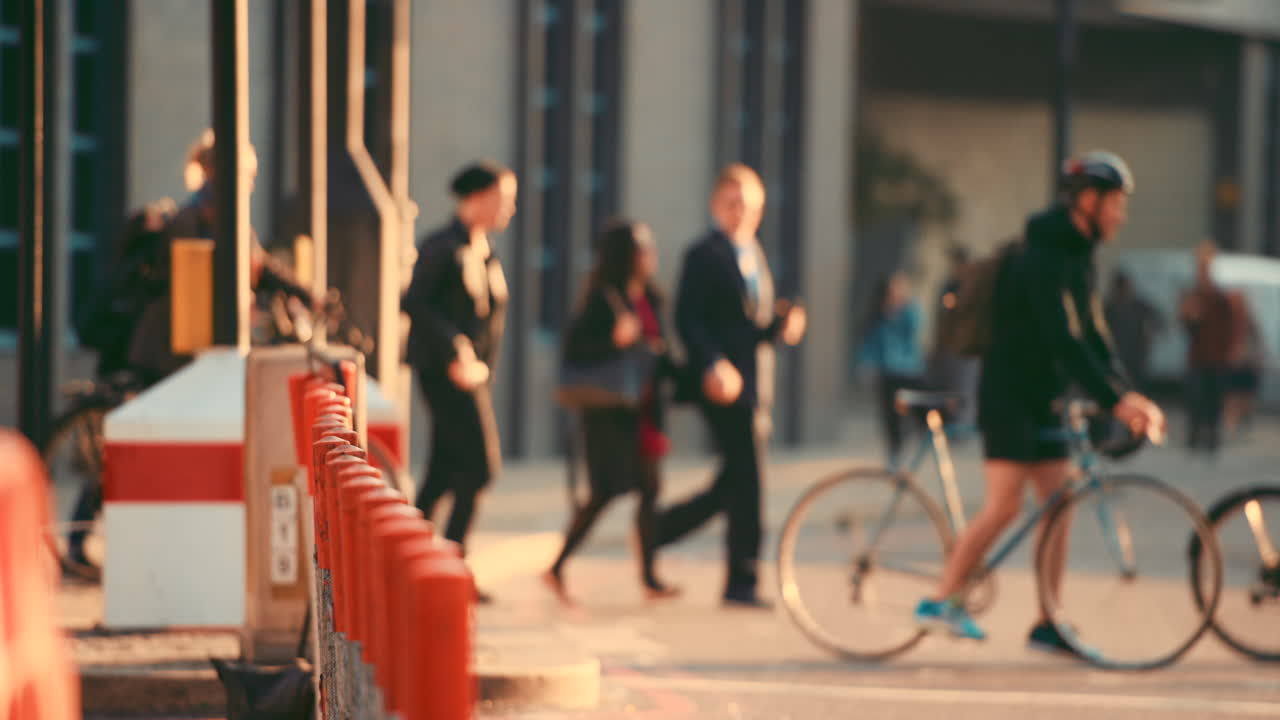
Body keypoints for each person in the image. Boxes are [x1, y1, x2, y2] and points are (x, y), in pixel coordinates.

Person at [912, 151, 1165, 654]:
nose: (1121, 215)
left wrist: (1125, 391)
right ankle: (941, 598)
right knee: (1005, 505)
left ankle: (1050, 620)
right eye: (1115, 203)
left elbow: (1092, 331)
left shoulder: (1076, 252)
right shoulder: (1043, 255)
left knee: (1059, 505)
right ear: (1087, 201)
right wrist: (1114, 401)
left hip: (1044, 397)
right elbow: (1062, 338)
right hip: (1008, 396)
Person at [653, 163, 807, 608]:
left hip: (757, 384)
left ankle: (658, 530)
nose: (743, 213)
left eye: (751, 205)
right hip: (723, 384)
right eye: (734, 203)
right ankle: (741, 580)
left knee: (733, 482)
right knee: (748, 482)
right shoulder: (703, 254)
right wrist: (713, 363)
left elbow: (751, 327)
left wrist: (782, 324)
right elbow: (689, 319)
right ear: (716, 205)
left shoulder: (754, 253)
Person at [542, 220, 679, 606]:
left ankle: (650, 576)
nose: (650, 254)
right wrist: (612, 340)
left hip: (645, 411)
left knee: (650, 490)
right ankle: (557, 565)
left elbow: (660, 351)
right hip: (609, 414)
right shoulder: (603, 299)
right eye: (642, 248)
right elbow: (575, 352)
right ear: (626, 255)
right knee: (605, 492)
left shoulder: (651, 297)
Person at [403, 161, 516, 602]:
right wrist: (456, 349)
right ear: (478, 198)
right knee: (482, 466)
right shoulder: (441, 246)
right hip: (446, 375)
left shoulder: (486, 250)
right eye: (503, 197)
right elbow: (414, 302)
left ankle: (417, 567)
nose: (510, 207)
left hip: (475, 378)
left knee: (443, 472)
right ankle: (449, 568)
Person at [856, 271, 925, 466]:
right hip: (886, 372)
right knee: (889, 414)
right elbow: (868, 342)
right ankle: (894, 451)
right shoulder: (878, 314)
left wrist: (899, 309)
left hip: (909, 370)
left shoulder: (909, 311)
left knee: (915, 409)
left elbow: (915, 327)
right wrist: (866, 364)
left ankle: (917, 437)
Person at [1179, 242, 1235, 456]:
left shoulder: (1220, 297)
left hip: (1217, 358)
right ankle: (1195, 437)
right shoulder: (1193, 294)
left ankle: (1211, 439)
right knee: (1195, 399)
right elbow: (1185, 324)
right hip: (1198, 357)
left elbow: (1229, 327)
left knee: (1213, 400)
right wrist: (1189, 315)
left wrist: (1229, 351)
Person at [927, 246, 980, 425]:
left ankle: (962, 424)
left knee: (965, 388)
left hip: (967, 349)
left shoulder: (972, 285)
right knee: (947, 388)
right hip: (948, 348)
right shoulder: (947, 286)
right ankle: (950, 422)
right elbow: (940, 317)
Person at [1104, 271, 1162, 394]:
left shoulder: (1139, 306)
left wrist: (1149, 331)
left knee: (1139, 387)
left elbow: (1158, 320)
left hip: (1137, 356)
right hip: (1117, 356)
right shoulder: (1109, 308)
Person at [1223, 289, 1262, 439]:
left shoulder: (1251, 324)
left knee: (1246, 399)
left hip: (1247, 365)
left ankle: (1243, 426)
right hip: (1234, 365)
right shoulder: (1229, 322)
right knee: (1232, 398)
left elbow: (1258, 345)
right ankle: (1232, 427)